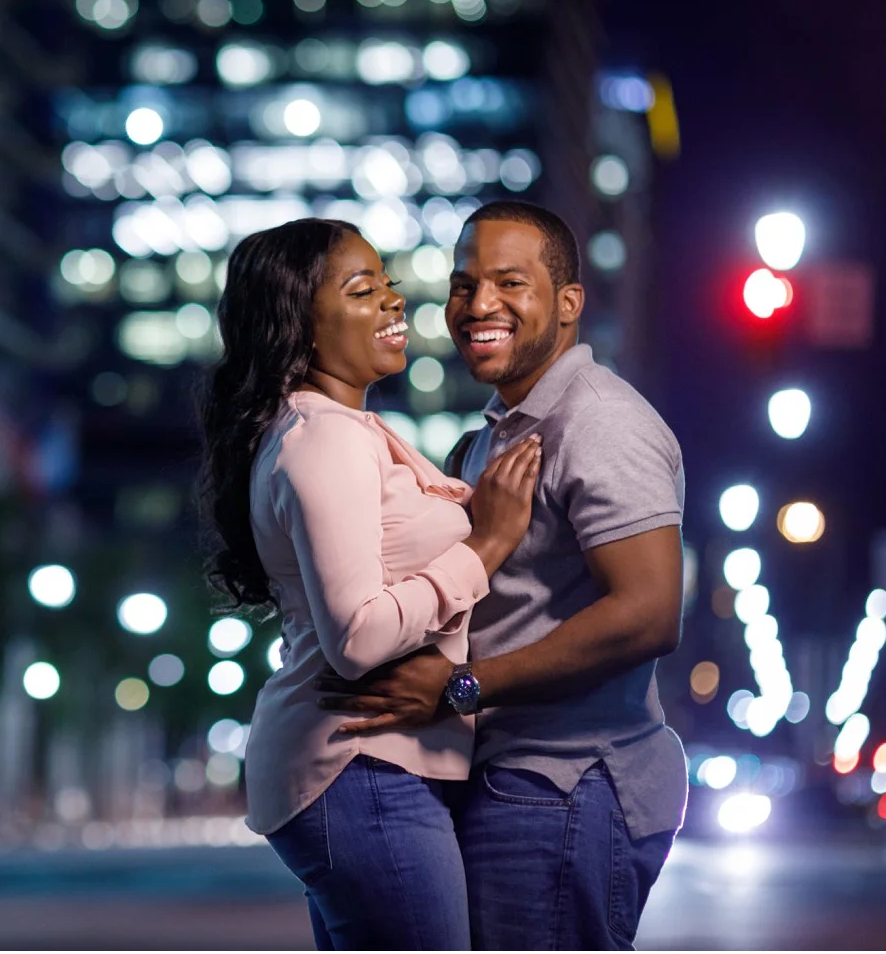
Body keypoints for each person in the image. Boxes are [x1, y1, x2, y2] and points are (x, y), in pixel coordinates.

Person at [318, 200, 687, 950]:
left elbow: (651, 612)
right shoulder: (493, 437)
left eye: (510, 283)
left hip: (567, 782)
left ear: (569, 303)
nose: (479, 304)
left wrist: (463, 687)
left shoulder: (600, 421)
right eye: (463, 284)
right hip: (510, 779)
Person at [198, 217, 541, 949]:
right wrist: (486, 546)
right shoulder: (325, 439)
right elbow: (356, 637)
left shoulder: (342, 429)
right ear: (301, 326)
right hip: (359, 765)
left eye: (387, 283)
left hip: (376, 767)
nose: (394, 301)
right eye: (363, 290)